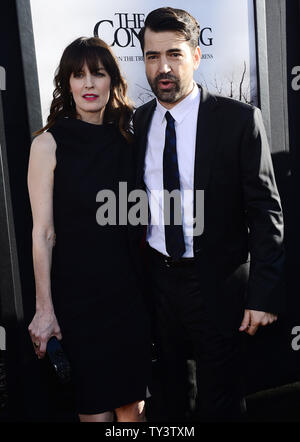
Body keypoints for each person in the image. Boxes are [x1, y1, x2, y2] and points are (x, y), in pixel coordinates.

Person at [134, 7, 285, 421]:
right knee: (170, 397)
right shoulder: (139, 121)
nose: (163, 67)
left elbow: (265, 210)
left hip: (218, 288)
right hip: (159, 286)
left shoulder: (238, 121)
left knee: (222, 400)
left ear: (196, 57)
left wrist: (263, 294)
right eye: (152, 56)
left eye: (174, 54)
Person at [27, 37, 151, 422]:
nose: (89, 84)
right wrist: (44, 309)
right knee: (95, 414)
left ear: (112, 80)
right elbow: (43, 233)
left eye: (98, 73)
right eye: (78, 75)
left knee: (132, 410)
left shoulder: (131, 138)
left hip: (130, 296)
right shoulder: (48, 144)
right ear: (67, 83)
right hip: (78, 302)